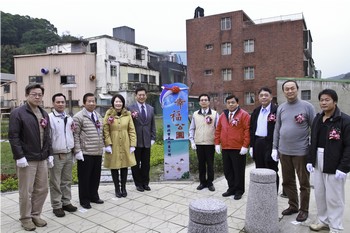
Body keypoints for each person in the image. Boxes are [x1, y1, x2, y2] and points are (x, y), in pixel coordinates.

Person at [8, 84, 52, 231]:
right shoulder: (18, 113)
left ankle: (35, 215)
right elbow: (14, 137)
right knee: (26, 191)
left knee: (42, 189)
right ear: (27, 95)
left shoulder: (44, 113)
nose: (37, 97)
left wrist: (49, 154)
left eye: (40, 94)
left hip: (42, 158)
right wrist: (19, 156)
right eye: (34, 94)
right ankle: (25, 218)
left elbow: (47, 136)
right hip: (27, 159)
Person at [271, 80, 315, 222]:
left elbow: (314, 129)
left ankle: (304, 209)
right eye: (287, 89)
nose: (290, 91)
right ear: (284, 92)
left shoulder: (307, 107)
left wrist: (311, 151)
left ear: (297, 89)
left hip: (301, 151)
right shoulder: (281, 108)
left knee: (303, 182)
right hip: (284, 152)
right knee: (287, 181)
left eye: (292, 88)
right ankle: (293, 205)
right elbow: (277, 128)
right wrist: (274, 147)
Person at [307, 89, 350, 233]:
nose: (324, 102)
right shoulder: (318, 118)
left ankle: (336, 226)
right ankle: (323, 221)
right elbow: (313, 141)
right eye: (321, 100)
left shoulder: (344, 120)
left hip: (334, 161)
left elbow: (349, 146)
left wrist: (344, 167)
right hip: (318, 159)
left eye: (327, 99)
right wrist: (310, 160)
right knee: (320, 193)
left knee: (334, 197)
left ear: (335, 101)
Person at [214, 94, 250, 200]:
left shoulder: (244, 115)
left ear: (237, 103)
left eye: (233, 102)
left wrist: (245, 145)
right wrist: (217, 143)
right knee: (228, 170)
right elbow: (218, 130)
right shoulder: (223, 115)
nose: (230, 104)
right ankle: (231, 188)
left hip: (238, 148)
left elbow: (247, 130)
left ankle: (239, 190)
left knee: (238, 171)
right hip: (225, 147)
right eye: (228, 102)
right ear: (226, 104)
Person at [73, 93, 104, 209]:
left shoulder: (98, 115)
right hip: (85, 152)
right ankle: (84, 200)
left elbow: (101, 132)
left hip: (97, 151)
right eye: (89, 101)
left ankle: (94, 196)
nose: (91, 103)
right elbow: (75, 135)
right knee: (85, 178)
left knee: (95, 176)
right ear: (84, 103)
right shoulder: (79, 117)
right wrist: (78, 151)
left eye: (93, 101)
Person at [48, 93, 77, 217]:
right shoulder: (49, 118)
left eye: (62, 102)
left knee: (66, 180)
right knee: (55, 181)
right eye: (58, 102)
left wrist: (75, 151)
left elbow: (72, 135)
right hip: (56, 154)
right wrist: (49, 154)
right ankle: (57, 205)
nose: (60, 104)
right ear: (53, 103)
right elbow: (47, 138)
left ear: (65, 103)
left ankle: (66, 202)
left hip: (68, 153)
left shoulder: (69, 118)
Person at [103, 94, 137, 198]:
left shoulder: (128, 114)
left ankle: (123, 187)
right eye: (116, 101)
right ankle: (117, 188)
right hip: (114, 143)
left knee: (124, 166)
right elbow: (105, 129)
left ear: (123, 103)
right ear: (113, 103)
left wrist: (133, 144)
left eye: (120, 102)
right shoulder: (108, 114)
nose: (118, 103)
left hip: (125, 142)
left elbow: (131, 130)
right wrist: (108, 144)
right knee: (114, 166)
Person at [249, 87, 279, 192]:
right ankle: (261, 191)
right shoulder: (256, 111)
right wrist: (251, 146)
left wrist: (276, 147)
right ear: (258, 97)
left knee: (271, 168)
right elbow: (252, 129)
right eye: (261, 95)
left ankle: (272, 193)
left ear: (271, 97)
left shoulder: (276, 110)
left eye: (266, 95)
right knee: (259, 167)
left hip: (270, 143)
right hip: (258, 142)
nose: (263, 97)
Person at [189, 93, 219, 191]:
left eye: (205, 100)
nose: (203, 101)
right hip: (199, 144)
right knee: (201, 164)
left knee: (210, 164)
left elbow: (218, 129)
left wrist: (217, 143)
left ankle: (210, 183)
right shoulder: (195, 114)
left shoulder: (214, 114)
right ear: (199, 102)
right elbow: (192, 128)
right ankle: (202, 182)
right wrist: (192, 141)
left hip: (210, 143)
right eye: (202, 100)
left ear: (209, 102)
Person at [129, 87, 156, 192]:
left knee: (146, 164)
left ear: (146, 95)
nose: (141, 96)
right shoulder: (130, 109)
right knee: (135, 164)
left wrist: (153, 137)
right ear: (136, 96)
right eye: (139, 95)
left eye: (143, 95)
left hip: (147, 141)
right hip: (135, 141)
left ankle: (145, 183)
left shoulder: (151, 108)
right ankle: (138, 184)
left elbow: (152, 124)